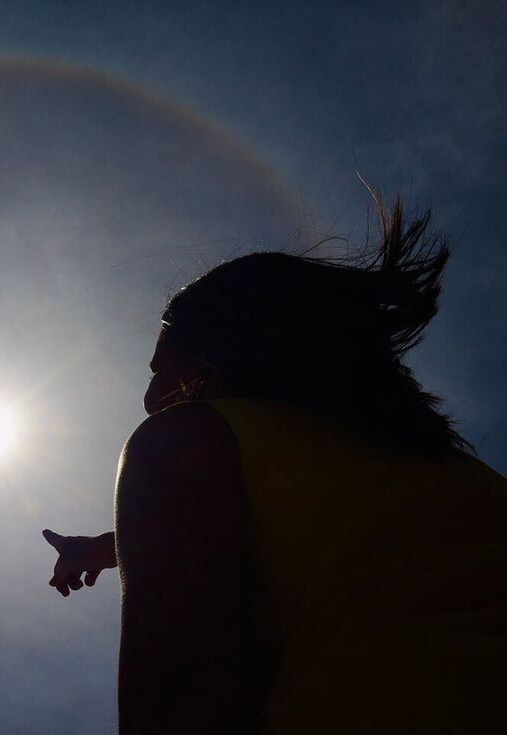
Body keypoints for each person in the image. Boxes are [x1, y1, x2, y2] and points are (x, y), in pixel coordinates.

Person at [43, 200, 507, 733]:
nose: (150, 399)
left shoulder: (183, 438)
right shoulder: (451, 472)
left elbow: (181, 692)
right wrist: (106, 549)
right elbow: (304, 518)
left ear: (219, 354)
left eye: (164, 370)